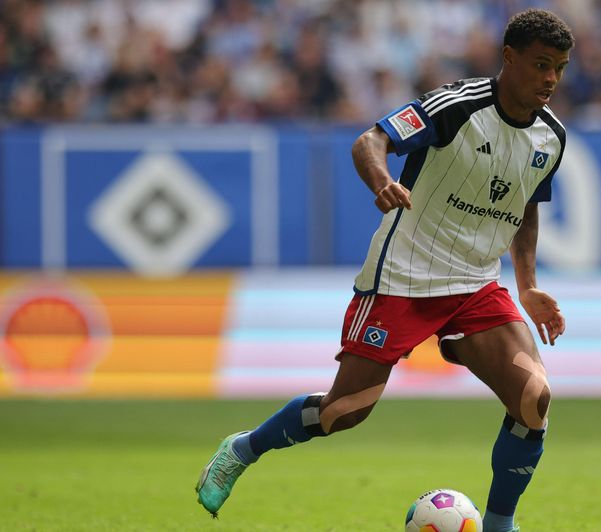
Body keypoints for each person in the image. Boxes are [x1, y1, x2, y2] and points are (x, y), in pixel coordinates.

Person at [195, 9, 572, 532]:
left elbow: (526, 205)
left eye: (559, 67)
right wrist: (381, 182)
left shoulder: (551, 138)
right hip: (404, 278)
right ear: (509, 59)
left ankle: (499, 525)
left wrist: (527, 286)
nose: (551, 79)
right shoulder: (456, 106)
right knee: (344, 411)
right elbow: (368, 141)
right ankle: (243, 448)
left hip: (476, 285)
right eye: (541, 65)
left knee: (535, 399)